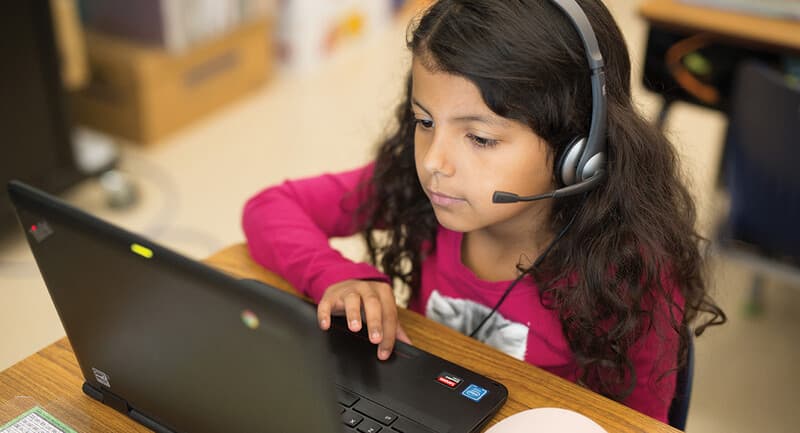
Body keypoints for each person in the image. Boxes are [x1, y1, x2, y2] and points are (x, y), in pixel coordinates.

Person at [242, 0, 725, 423]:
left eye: (480, 138)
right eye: (424, 121)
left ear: (579, 149)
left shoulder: (633, 271)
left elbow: (638, 426)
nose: (434, 162)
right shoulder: (421, 188)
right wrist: (335, 275)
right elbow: (270, 208)